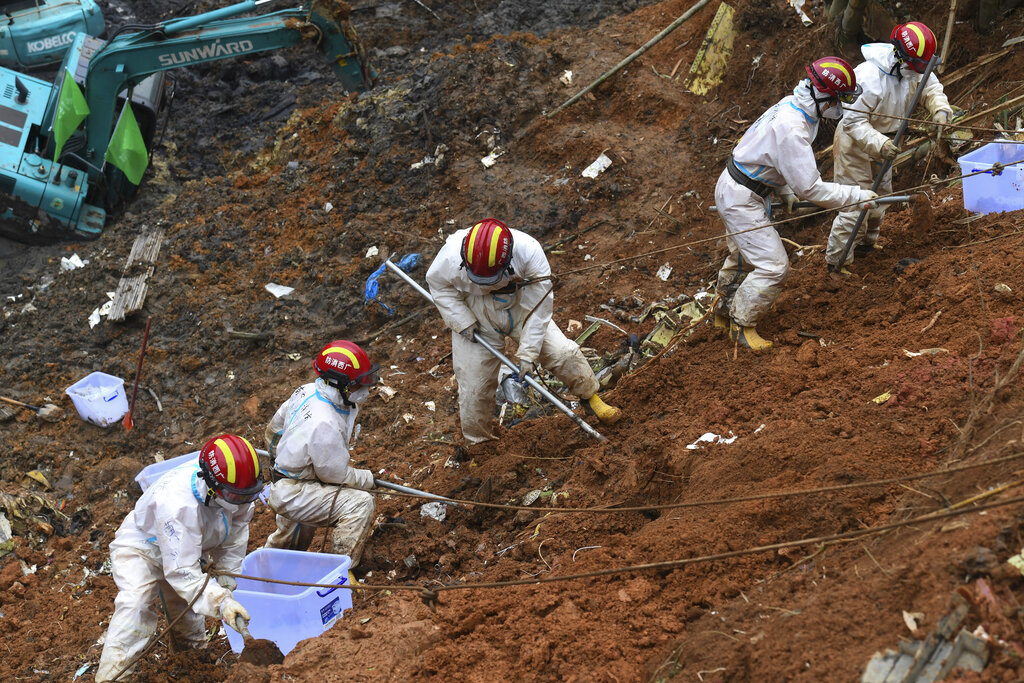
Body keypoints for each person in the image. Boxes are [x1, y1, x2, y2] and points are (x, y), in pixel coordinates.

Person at [713, 57, 878, 350]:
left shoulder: (795, 107)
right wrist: (856, 196)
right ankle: (741, 324)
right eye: (837, 100)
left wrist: (784, 190)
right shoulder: (793, 127)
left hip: (741, 184)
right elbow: (811, 188)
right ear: (822, 95)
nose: (838, 107)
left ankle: (722, 310)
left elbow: (773, 155)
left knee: (743, 254)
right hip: (742, 196)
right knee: (774, 266)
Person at [425, 218, 621, 446]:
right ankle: (480, 444)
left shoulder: (529, 253)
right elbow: (438, 286)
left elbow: (538, 310)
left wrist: (528, 353)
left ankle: (591, 398)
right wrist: (463, 322)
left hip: (522, 307)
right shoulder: (450, 256)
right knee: (474, 387)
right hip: (475, 311)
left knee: (563, 354)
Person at [95, 434, 262, 682]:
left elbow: (235, 534)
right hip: (143, 547)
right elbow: (182, 572)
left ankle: (191, 666)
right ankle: (112, 677)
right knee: (136, 605)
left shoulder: (237, 491)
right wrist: (222, 603)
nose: (242, 503)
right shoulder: (179, 506)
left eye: (247, 495)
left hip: (189, 548)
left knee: (188, 619)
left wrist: (227, 580)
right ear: (212, 485)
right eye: (236, 497)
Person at [825, 21, 953, 274]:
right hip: (856, 143)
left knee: (880, 197)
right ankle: (837, 263)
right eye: (917, 65)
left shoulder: (914, 67)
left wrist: (940, 108)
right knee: (856, 202)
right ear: (900, 56)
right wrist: (880, 144)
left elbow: (930, 86)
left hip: (889, 141)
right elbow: (852, 121)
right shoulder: (868, 77)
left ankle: (866, 245)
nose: (920, 70)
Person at [263, 339, 378, 566]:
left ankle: (265, 572)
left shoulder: (307, 390)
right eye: (358, 385)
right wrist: (368, 478)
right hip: (295, 489)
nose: (364, 390)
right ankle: (337, 572)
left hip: (291, 479)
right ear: (340, 385)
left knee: (288, 545)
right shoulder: (324, 422)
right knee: (360, 503)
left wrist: (285, 462)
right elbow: (334, 476)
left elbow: (274, 430)